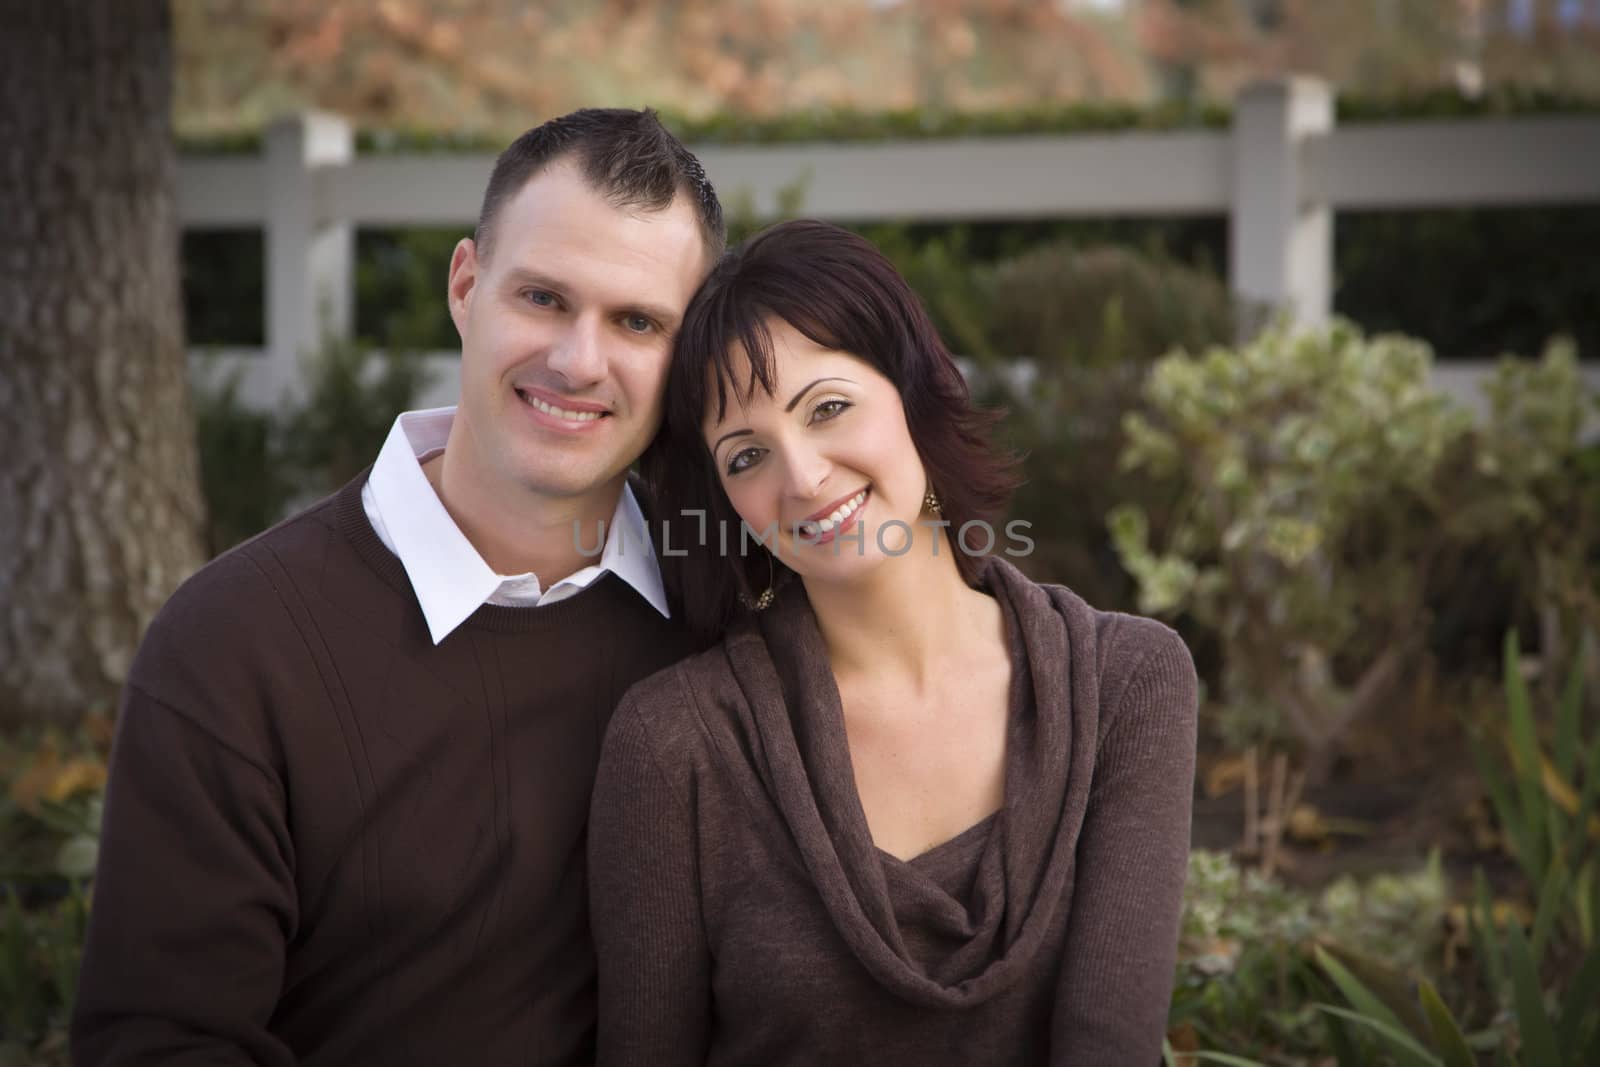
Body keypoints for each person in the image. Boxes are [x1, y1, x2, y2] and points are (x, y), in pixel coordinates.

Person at [72, 109, 724, 1066]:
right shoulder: (234, 646)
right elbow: (162, 1043)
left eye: (637, 321)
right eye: (543, 297)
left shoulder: (725, 597)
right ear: (466, 286)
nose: (579, 360)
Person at [587, 219, 1198, 1065]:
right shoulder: (675, 743)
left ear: (914, 391)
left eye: (828, 407)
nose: (800, 477)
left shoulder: (1126, 682)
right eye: (746, 454)